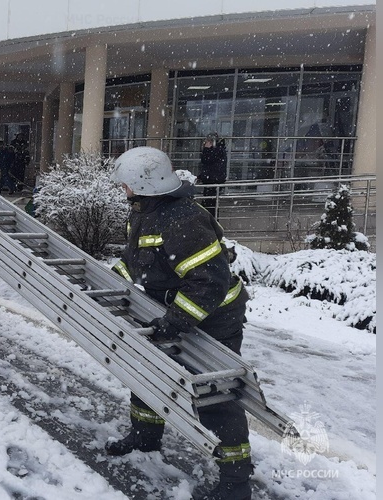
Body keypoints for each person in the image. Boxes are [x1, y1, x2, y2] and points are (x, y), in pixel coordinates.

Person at [108, 146, 252, 500]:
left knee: (213, 394)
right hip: (169, 311)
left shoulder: (183, 219)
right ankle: (145, 438)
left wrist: (175, 322)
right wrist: (110, 283)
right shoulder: (145, 211)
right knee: (147, 371)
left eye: (125, 185)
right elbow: (137, 260)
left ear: (142, 184)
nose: (122, 191)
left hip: (215, 319)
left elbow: (209, 283)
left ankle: (235, 482)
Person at [197, 132, 227, 218]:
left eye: (208, 141)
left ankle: (211, 223)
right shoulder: (219, 150)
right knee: (210, 204)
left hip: (213, 181)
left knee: (210, 205)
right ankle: (211, 222)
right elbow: (210, 166)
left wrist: (206, 149)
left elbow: (206, 160)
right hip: (212, 180)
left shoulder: (217, 150)